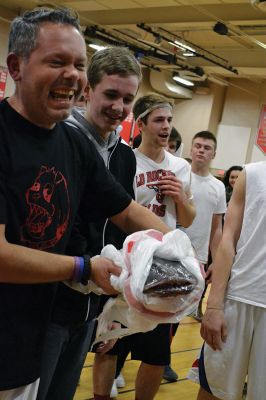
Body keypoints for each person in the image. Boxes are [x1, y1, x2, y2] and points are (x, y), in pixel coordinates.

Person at [0, 9, 171, 400]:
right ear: (16, 67)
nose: (72, 75)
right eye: (56, 61)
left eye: (78, 63)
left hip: (44, 323)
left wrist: (180, 252)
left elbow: (126, 210)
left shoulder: (72, 142)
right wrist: (82, 267)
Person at [37, 46, 142, 400]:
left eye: (128, 99)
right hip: (45, 301)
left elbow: (119, 232)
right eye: (111, 94)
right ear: (87, 91)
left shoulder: (124, 157)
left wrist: (113, 314)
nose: (119, 107)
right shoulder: (57, 139)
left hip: (90, 307)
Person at [109, 93, 195, 400]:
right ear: (141, 124)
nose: (166, 126)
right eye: (159, 120)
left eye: (170, 120)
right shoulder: (125, 158)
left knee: (157, 354)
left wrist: (181, 198)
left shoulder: (180, 167)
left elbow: (188, 218)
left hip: (163, 262)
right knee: (112, 344)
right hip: (129, 256)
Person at [189, 161, 266, 400]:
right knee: (215, 389)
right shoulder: (252, 173)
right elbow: (228, 239)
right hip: (240, 295)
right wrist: (213, 306)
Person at [185, 131, 226, 321]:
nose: (201, 151)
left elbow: (217, 228)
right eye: (198, 146)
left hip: (198, 258)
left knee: (178, 317)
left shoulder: (218, 187)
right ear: (191, 149)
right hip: (171, 251)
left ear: (214, 154)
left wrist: (215, 261)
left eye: (207, 148)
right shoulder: (179, 174)